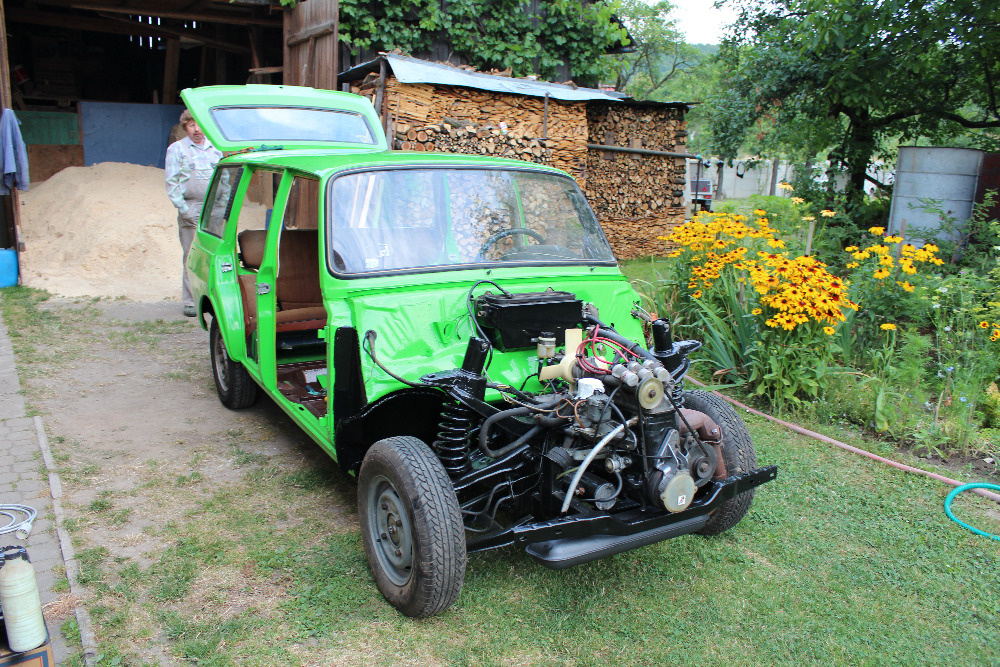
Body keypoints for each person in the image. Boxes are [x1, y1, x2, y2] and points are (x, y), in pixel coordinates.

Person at [165, 109, 222, 317]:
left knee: (214, 254)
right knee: (191, 255)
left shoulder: (216, 149)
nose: (197, 130)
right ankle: (191, 300)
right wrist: (183, 209)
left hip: (213, 208)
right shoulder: (177, 150)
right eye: (191, 125)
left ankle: (214, 299)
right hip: (192, 206)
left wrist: (223, 205)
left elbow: (224, 180)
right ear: (185, 128)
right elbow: (171, 183)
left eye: (200, 125)